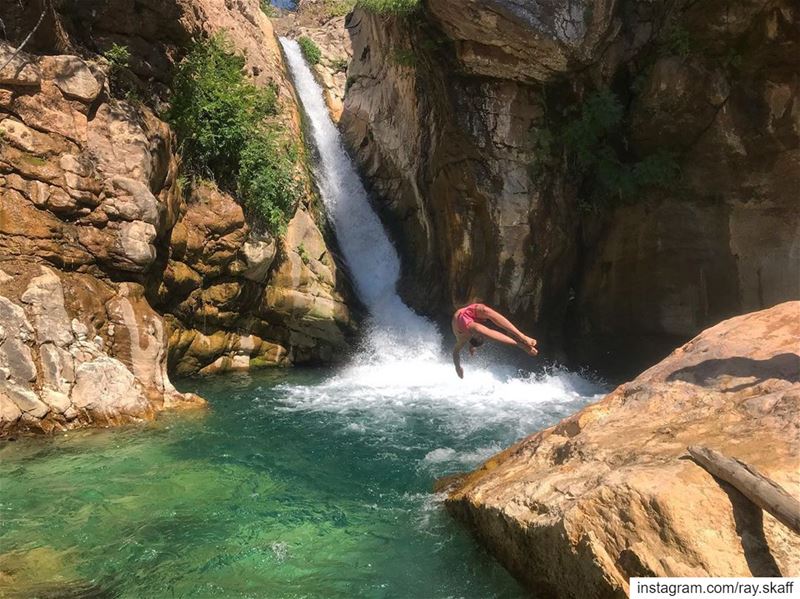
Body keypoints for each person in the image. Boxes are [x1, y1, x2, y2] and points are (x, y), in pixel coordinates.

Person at [451, 303, 538, 378]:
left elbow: (455, 353)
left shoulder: (462, 337)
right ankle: (519, 343)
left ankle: (521, 336)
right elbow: (488, 332)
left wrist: (457, 367)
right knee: (480, 327)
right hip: (463, 320)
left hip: (462, 317)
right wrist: (458, 367)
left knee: (485, 312)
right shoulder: (466, 334)